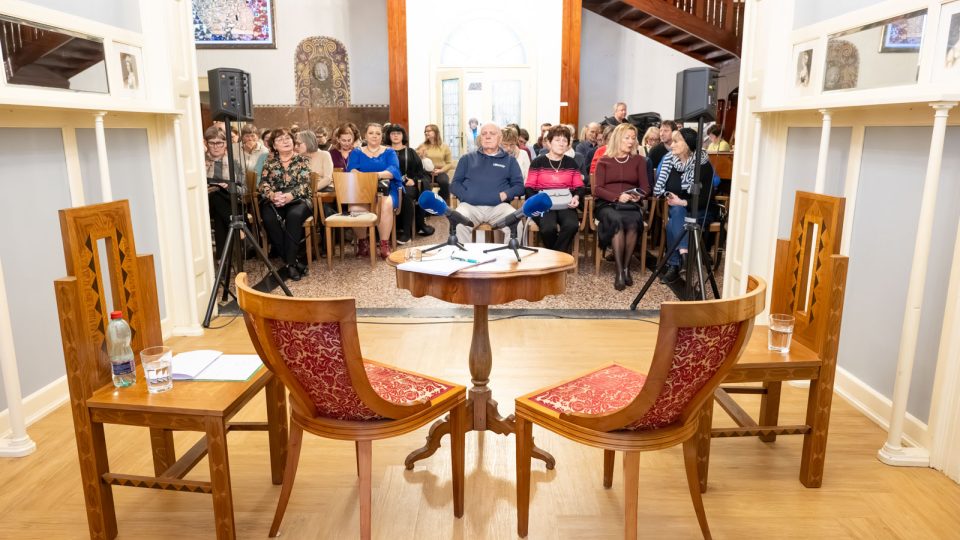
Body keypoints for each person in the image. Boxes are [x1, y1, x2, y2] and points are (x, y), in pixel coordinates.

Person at [652, 127, 716, 284]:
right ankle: (684, 254)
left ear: (687, 144)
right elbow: (661, 189)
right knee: (678, 213)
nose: (671, 145)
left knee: (672, 224)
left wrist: (682, 201)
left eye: (676, 141)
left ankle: (675, 264)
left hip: (700, 210)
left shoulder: (703, 165)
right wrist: (669, 196)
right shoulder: (669, 162)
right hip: (677, 209)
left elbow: (705, 198)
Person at [593, 123, 650, 291]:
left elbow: (646, 188)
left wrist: (637, 195)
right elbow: (597, 189)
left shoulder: (639, 160)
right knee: (617, 221)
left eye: (633, 138)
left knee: (633, 222)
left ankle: (626, 268)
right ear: (618, 139)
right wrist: (618, 196)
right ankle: (619, 271)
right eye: (627, 138)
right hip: (607, 204)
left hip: (631, 204)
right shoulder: (604, 160)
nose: (631, 141)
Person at [449, 123, 525, 244]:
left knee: (516, 224)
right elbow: (454, 184)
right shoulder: (467, 159)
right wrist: (468, 196)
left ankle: (509, 261)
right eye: (484, 134)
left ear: (500, 138)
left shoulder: (510, 161)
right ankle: (463, 259)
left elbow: (519, 187)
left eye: (492, 134)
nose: (487, 137)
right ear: (480, 138)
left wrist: (505, 194)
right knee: (458, 223)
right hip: (470, 206)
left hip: (499, 207)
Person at [258, 128, 313, 281]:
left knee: (294, 217)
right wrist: (272, 195)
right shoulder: (269, 162)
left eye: (287, 138)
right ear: (274, 146)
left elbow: (305, 185)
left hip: (299, 199)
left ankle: (289, 263)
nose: (285, 141)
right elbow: (263, 185)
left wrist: (290, 196)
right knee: (269, 218)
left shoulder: (303, 160)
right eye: (280, 139)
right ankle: (293, 261)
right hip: (276, 199)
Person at [345, 123, 403, 259]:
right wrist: (368, 178)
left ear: (382, 136)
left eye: (378, 133)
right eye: (371, 133)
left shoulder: (389, 152)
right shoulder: (357, 152)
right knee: (354, 207)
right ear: (366, 135)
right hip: (362, 189)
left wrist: (374, 175)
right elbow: (352, 170)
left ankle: (384, 244)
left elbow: (393, 171)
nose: (374, 136)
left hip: (387, 188)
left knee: (385, 203)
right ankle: (363, 243)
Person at [525, 125, 584, 253]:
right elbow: (529, 187)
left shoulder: (571, 163)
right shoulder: (538, 162)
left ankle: (555, 257)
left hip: (566, 204)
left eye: (564, 140)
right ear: (549, 142)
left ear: (568, 144)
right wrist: (537, 203)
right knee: (547, 228)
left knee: (571, 225)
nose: (561, 143)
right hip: (544, 204)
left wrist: (576, 197)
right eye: (557, 140)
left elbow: (579, 186)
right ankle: (560, 256)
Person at [385, 124, 434, 244]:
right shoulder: (384, 152)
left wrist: (413, 179)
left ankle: (406, 234)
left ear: (403, 136)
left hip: (407, 185)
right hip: (388, 184)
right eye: (393, 133)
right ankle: (382, 234)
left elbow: (420, 171)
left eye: (398, 133)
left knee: (405, 195)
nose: (396, 136)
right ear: (389, 136)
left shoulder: (411, 152)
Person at [204, 126, 244, 263]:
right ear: (206, 143)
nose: (216, 147)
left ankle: (222, 258)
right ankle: (239, 229)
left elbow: (243, 190)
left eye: (219, 143)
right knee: (215, 194)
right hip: (205, 204)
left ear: (225, 143)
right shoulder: (199, 162)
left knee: (219, 202)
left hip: (229, 201)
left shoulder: (234, 163)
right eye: (212, 143)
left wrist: (229, 187)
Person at [417, 124, 453, 203]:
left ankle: (440, 203)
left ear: (436, 132)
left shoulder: (444, 147)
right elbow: (415, 160)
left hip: (440, 171)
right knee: (424, 183)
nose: (426, 133)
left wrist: (441, 170)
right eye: (425, 131)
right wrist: (420, 156)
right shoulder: (422, 146)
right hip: (426, 173)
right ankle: (428, 205)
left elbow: (449, 163)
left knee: (444, 183)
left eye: (429, 131)